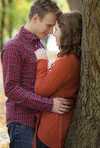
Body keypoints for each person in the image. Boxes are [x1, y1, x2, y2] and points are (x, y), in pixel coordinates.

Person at [1, 0, 72, 148]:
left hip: (38, 119)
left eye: (54, 27)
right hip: (21, 122)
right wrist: (49, 104)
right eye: (48, 25)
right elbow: (11, 89)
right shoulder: (14, 46)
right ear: (35, 18)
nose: (51, 31)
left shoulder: (38, 44)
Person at [33, 11, 82, 148]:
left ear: (68, 32)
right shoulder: (70, 57)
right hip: (55, 125)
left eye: (57, 29)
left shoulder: (67, 61)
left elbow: (40, 90)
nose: (54, 34)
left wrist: (42, 62)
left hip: (53, 130)